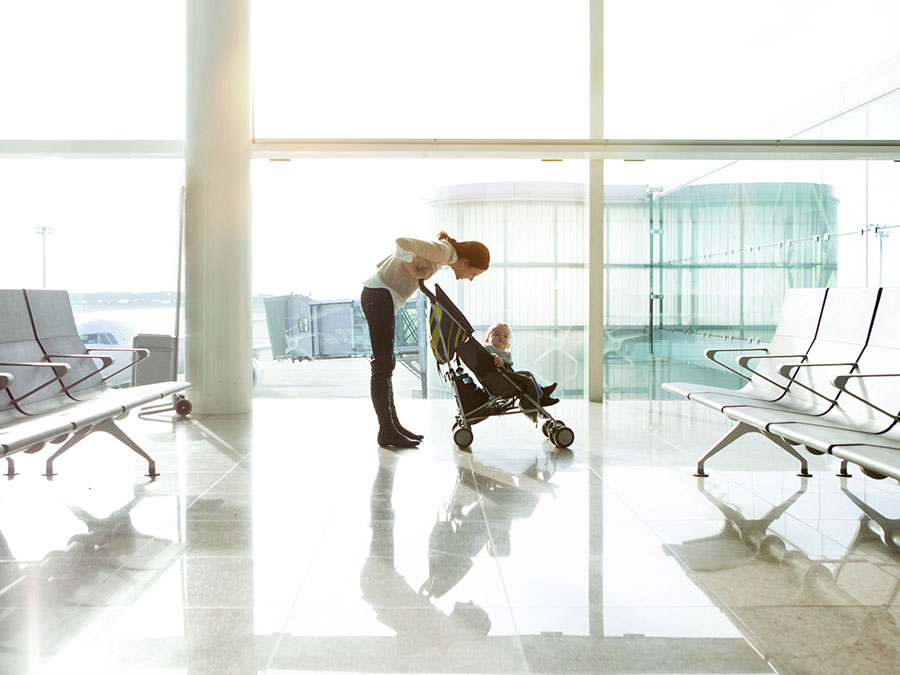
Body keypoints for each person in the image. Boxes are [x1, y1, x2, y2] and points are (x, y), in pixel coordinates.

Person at [362, 232, 490, 448]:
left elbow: (388, 260)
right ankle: (386, 431)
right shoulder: (444, 251)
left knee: (386, 364)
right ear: (465, 262)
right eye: (473, 274)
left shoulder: (444, 254)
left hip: (381, 297)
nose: (470, 279)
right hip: (379, 297)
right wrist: (414, 271)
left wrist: (400, 271)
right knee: (382, 366)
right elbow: (402, 243)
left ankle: (392, 426)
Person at [483, 322, 559, 408]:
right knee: (527, 374)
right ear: (487, 340)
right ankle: (541, 398)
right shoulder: (488, 348)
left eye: (505, 336)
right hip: (499, 382)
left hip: (506, 378)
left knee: (525, 374)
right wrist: (494, 357)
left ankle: (541, 391)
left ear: (508, 345)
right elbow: (484, 356)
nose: (501, 337)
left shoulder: (506, 354)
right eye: (496, 334)